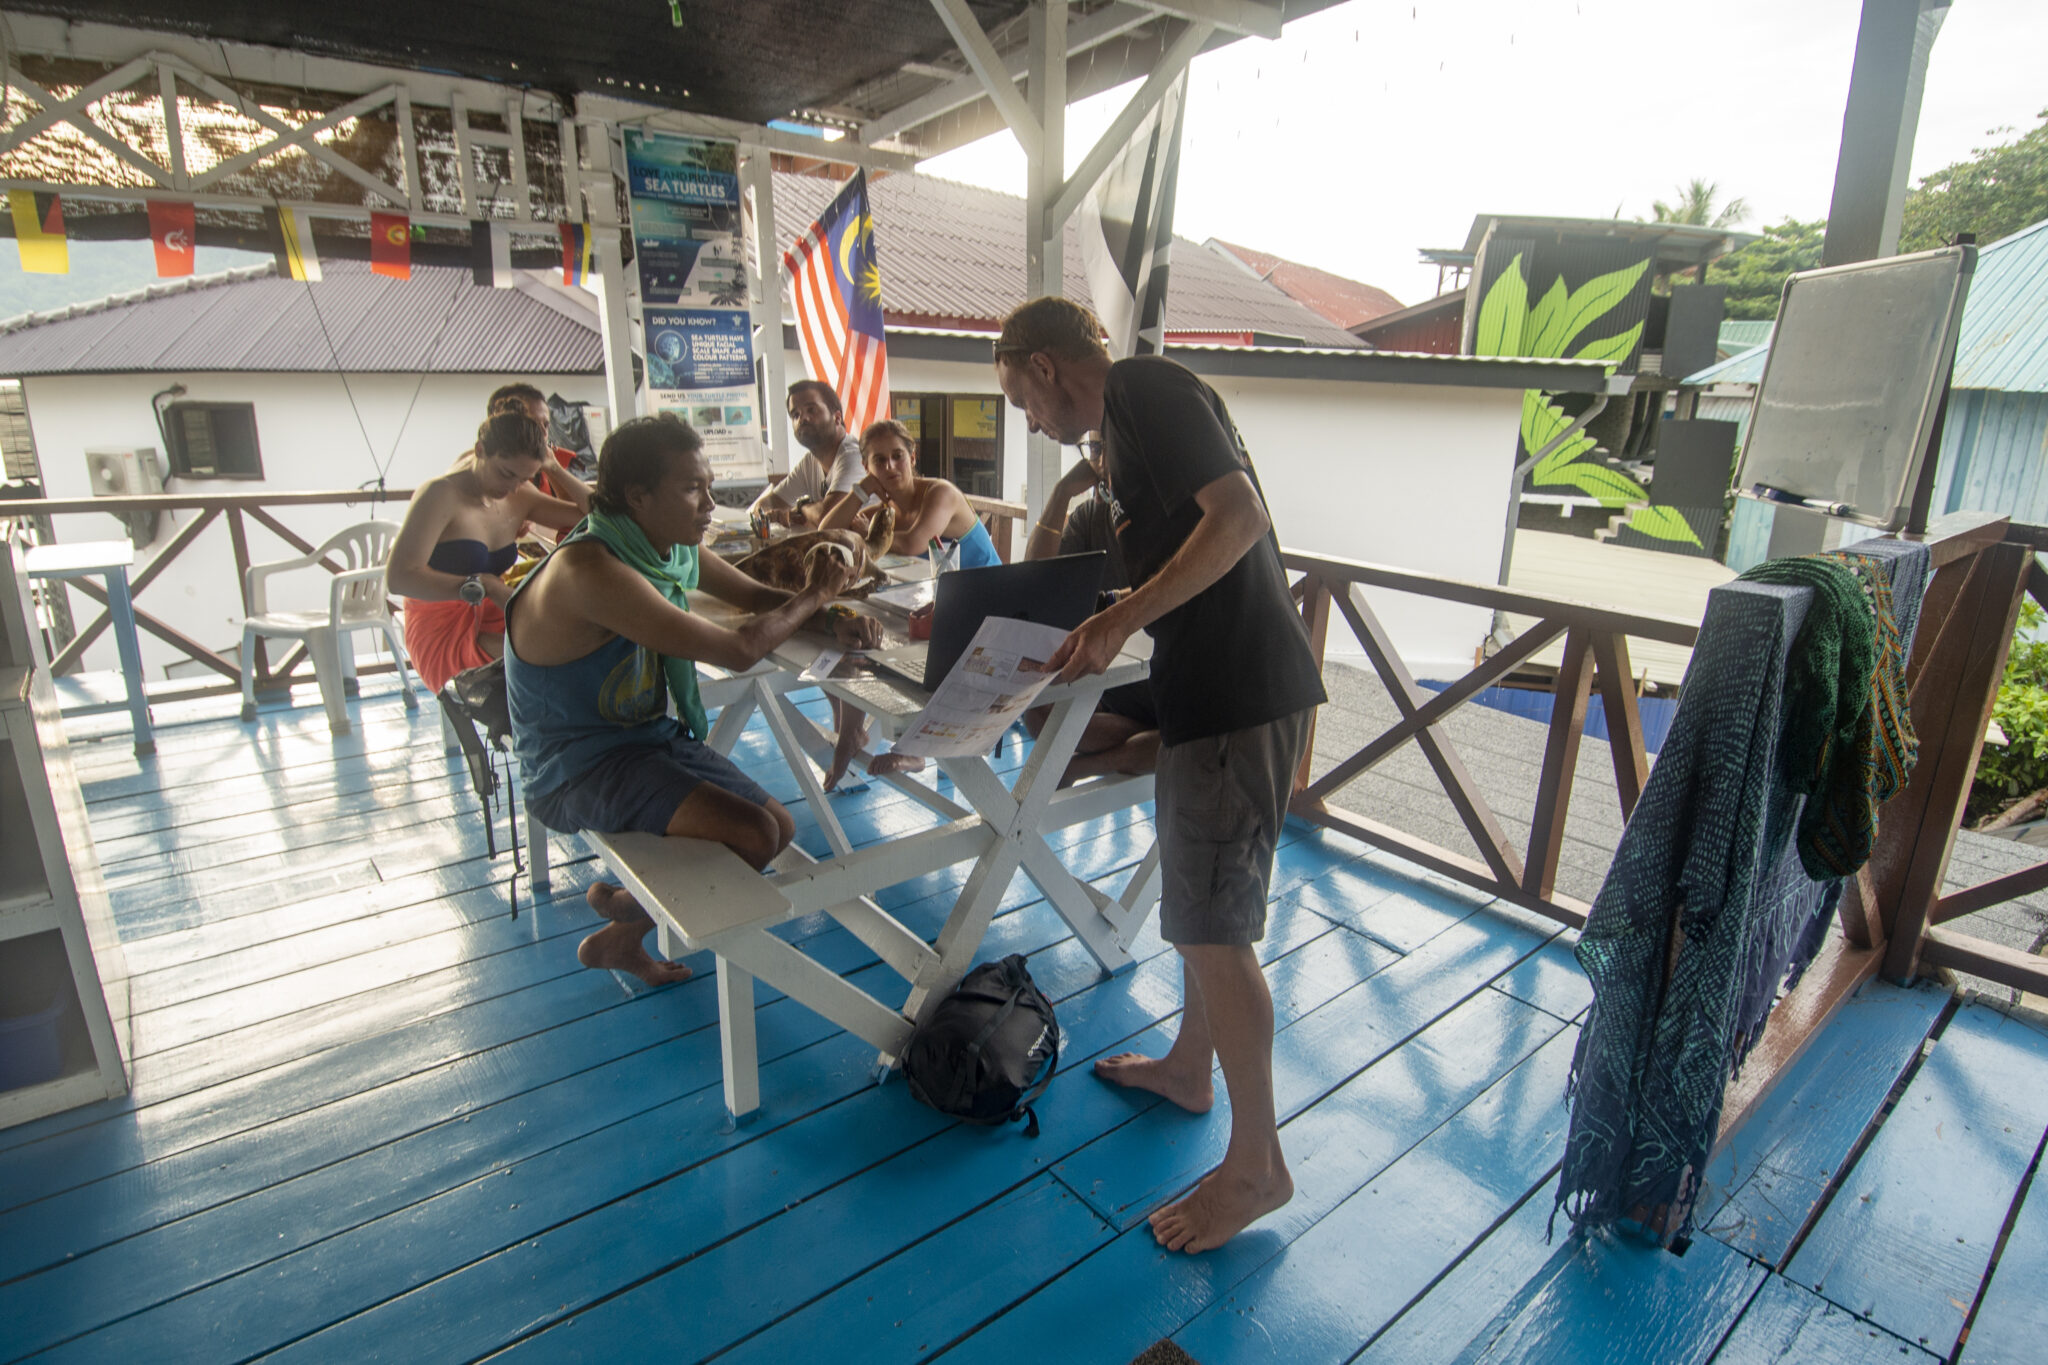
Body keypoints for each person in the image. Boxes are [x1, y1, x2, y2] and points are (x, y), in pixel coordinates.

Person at [994, 296, 1325, 1254]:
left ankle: (1259, 1164)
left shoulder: (1145, 385)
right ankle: (1191, 1066)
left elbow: (1240, 518)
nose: (1030, 421)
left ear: (1046, 365)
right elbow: (1093, 562)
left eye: (1021, 399)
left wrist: (1125, 615)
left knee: (1216, 932)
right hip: (1206, 692)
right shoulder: (1116, 446)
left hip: (1238, 691)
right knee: (1195, 907)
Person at [504, 414, 881, 986]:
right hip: (575, 765)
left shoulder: (664, 544)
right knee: (753, 834)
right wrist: (816, 593)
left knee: (780, 828)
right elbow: (738, 650)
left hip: (641, 737)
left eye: (709, 485)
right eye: (691, 489)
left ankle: (623, 930)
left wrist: (831, 616)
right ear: (637, 496)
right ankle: (631, 916)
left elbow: (752, 595)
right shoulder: (590, 568)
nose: (710, 503)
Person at [388, 411, 585, 693]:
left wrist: (555, 470)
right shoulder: (439, 494)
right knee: (555, 663)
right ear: (480, 450)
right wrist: (480, 585)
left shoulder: (519, 492)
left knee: (584, 638)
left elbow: (594, 515)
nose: (512, 487)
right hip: (443, 628)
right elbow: (398, 579)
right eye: (506, 474)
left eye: (525, 477)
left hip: (494, 610)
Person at [1022, 446, 1159, 783]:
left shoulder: (1163, 518)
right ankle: (1147, 742)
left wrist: (1111, 605)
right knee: (1035, 709)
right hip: (1107, 668)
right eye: (1095, 450)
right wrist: (1061, 494)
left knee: (1190, 736)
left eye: (1111, 452)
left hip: (1162, 672)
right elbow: (1035, 580)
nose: (1101, 463)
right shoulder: (1090, 518)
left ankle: (1083, 766)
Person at [818, 419, 1001, 570]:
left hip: (990, 596)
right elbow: (825, 533)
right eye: (879, 460)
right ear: (866, 467)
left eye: (897, 456)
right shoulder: (883, 514)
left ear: (912, 458)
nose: (890, 466)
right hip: (943, 596)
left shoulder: (941, 493)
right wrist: (860, 491)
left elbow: (913, 544)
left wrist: (870, 535)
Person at [747, 380, 863, 529]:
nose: (803, 419)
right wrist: (769, 514)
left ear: (837, 417)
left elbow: (827, 519)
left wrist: (802, 507)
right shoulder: (810, 461)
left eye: (811, 410)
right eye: (795, 415)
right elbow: (767, 503)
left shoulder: (853, 456)